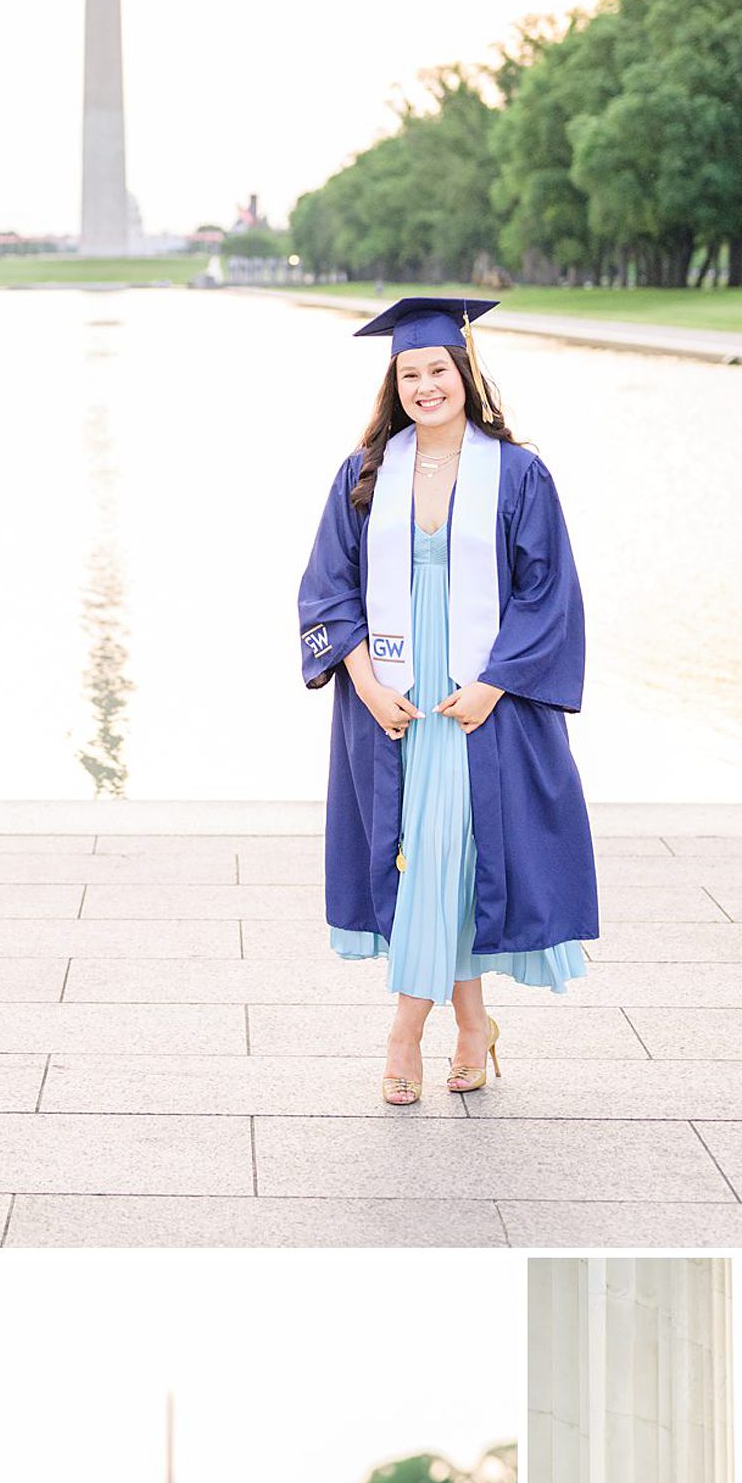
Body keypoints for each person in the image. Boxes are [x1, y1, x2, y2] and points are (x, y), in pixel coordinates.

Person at [296, 297, 597, 1105]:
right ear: (394, 385)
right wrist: (363, 684)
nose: (427, 385)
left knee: (450, 856)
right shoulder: (365, 472)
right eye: (410, 373)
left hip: (480, 698)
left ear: (464, 373)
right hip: (394, 695)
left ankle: (404, 1035)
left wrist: (495, 685)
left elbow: (549, 593)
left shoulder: (519, 472)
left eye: (438, 369)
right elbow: (328, 590)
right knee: (432, 856)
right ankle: (472, 1024)